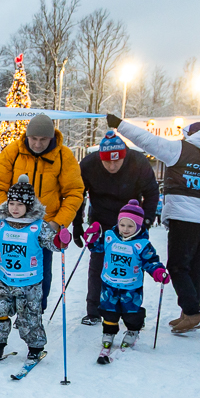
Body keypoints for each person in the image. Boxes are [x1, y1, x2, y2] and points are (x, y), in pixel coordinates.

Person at [108, 114, 200, 333]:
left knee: (177, 267)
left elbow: (146, 140)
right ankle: (190, 314)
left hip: (184, 218)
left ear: (192, 135)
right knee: (196, 268)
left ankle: (192, 313)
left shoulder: (179, 150)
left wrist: (119, 125)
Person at [0, 175, 71, 363]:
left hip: (30, 283)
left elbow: (52, 243)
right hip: (5, 280)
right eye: (12, 203)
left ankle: (35, 347)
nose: (15, 208)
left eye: (20, 205)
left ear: (29, 206)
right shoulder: (1, 222)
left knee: (29, 318)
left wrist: (60, 240)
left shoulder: (38, 226)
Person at [0, 113, 83, 311]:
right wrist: (6, 214)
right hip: (14, 224)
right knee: (12, 267)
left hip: (44, 225)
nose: (38, 144)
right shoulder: (13, 152)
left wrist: (58, 222)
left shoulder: (63, 156)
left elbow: (74, 193)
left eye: (43, 140)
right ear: (27, 136)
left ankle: (36, 309)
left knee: (40, 271)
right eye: (34, 139)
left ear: (52, 138)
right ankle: (10, 306)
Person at [72, 130, 159, 325]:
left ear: (124, 156)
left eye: (117, 162)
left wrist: (146, 221)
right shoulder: (88, 164)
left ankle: (131, 311)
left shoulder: (138, 162)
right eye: (107, 162)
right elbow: (78, 194)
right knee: (98, 264)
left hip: (131, 221)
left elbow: (152, 193)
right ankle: (94, 310)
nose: (112, 166)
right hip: (101, 219)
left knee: (132, 264)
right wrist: (77, 224)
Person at [83, 200, 169, 364]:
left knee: (131, 311)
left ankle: (133, 330)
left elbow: (151, 261)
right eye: (122, 225)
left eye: (130, 226)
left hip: (131, 287)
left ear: (138, 226)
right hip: (109, 284)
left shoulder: (142, 244)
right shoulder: (110, 237)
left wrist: (158, 271)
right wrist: (91, 238)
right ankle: (109, 332)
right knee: (108, 310)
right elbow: (96, 248)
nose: (125, 229)